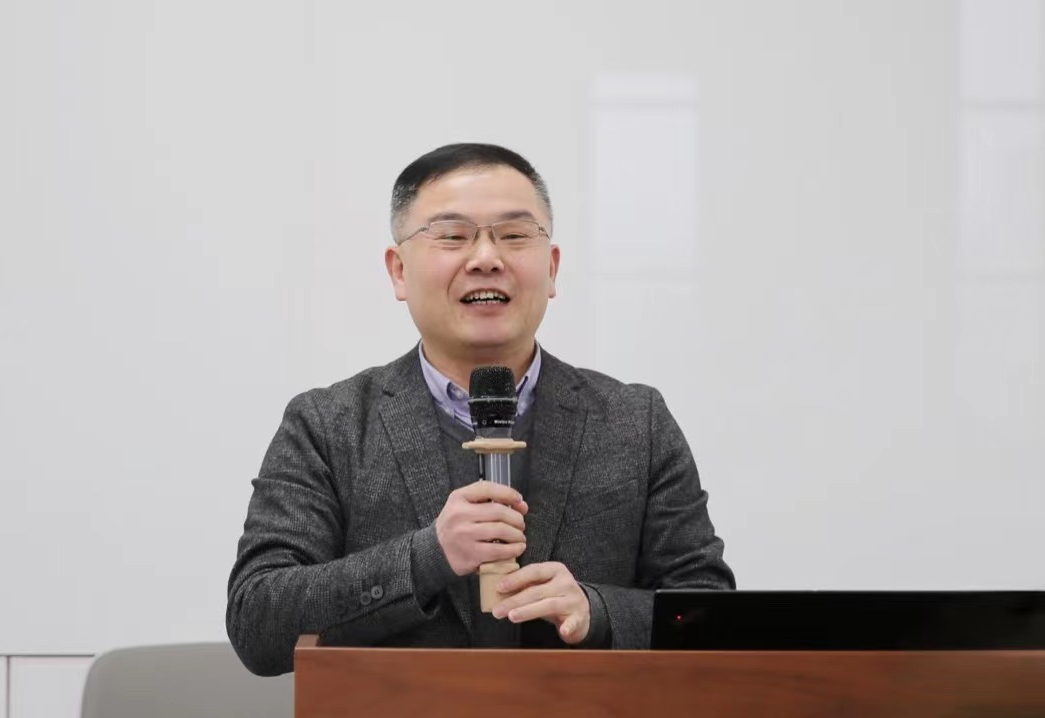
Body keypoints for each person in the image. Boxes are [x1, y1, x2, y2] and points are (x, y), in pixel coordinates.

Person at [227, 143, 734, 676]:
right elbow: (258, 620)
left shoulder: (636, 421)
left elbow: (709, 611)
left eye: (514, 235)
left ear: (552, 268)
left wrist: (599, 612)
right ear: (398, 271)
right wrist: (427, 557)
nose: (487, 258)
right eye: (452, 236)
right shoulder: (327, 425)